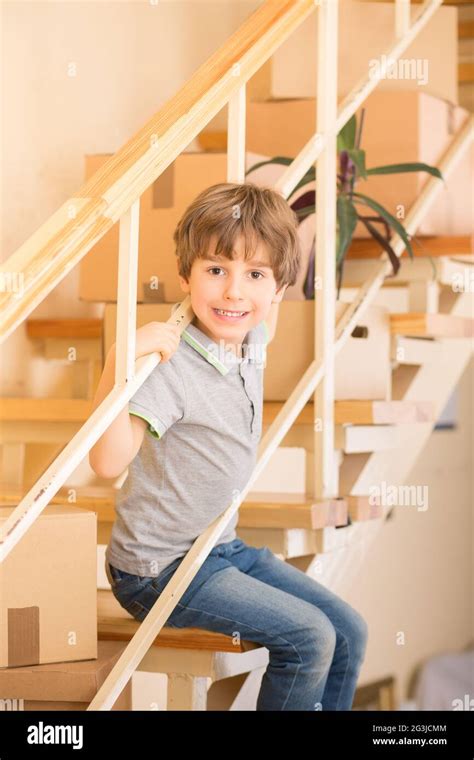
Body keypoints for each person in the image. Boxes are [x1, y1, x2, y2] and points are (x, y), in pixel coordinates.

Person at [89, 182, 368, 710]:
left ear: (279, 289)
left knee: (349, 629)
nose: (234, 292)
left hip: (222, 547)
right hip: (159, 569)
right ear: (185, 276)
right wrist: (118, 362)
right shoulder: (168, 368)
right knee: (310, 638)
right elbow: (106, 463)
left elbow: (271, 270)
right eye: (215, 270)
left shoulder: (252, 338)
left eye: (255, 275)